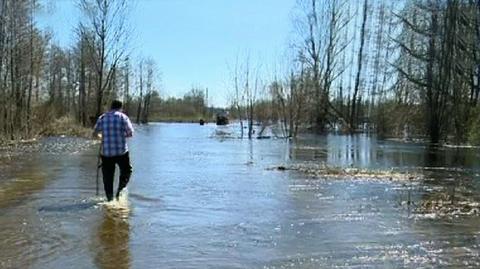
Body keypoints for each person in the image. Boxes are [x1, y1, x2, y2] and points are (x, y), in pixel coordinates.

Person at [93, 100, 134, 201]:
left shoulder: (102, 117)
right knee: (126, 171)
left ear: (111, 107)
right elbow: (130, 133)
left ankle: (110, 199)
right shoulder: (123, 117)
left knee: (108, 177)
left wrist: (102, 136)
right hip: (121, 152)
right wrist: (120, 135)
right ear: (121, 107)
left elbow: (95, 133)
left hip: (106, 152)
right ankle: (119, 193)